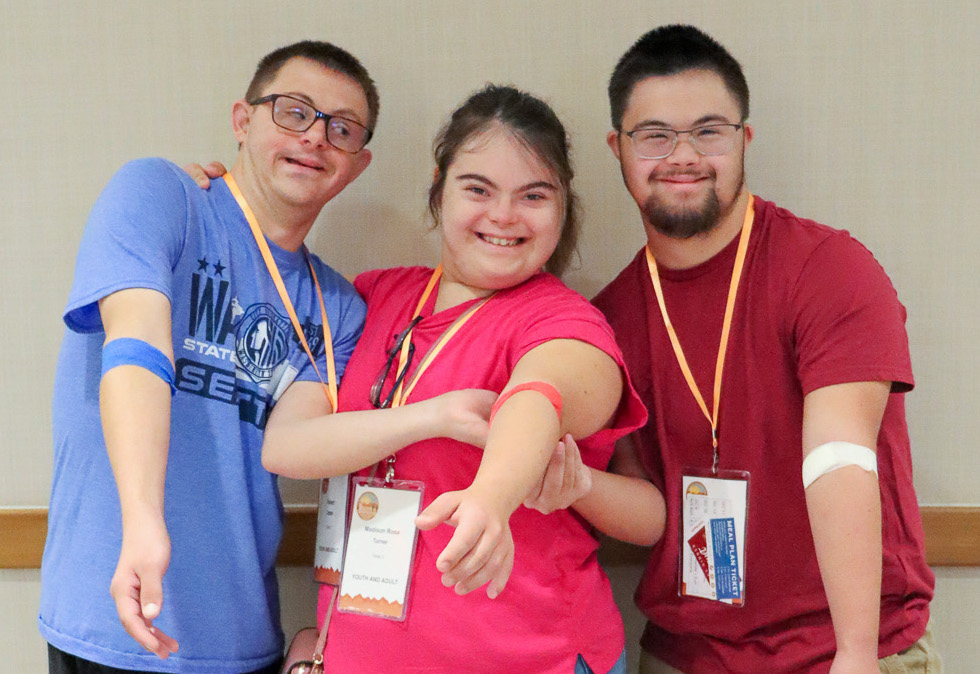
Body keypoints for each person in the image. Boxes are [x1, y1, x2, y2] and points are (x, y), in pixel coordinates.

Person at [254, 84, 662, 674]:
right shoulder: (372, 297)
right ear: (440, 190)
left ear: (562, 208)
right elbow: (287, 446)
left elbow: (536, 397)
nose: (502, 216)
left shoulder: (565, 319)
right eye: (478, 189)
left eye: (534, 195)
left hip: (526, 658)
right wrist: (432, 416)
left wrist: (490, 501)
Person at [580, 24, 937, 674]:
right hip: (683, 654)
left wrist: (856, 656)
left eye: (708, 131)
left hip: (842, 650)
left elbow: (840, 454)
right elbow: (639, 502)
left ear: (744, 139)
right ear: (619, 148)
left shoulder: (829, 269)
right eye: (655, 134)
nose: (682, 154)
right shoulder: (607, 319)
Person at [39, 41, 381, 674]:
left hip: (239, 636)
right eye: (293, 111)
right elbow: (136, 346)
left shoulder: (340, 310)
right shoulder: (161, 195)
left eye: (341, 129)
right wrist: (144, 521)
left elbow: (291, 443)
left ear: (356, 165)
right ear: (242, 121)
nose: (314, 138)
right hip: (113, 614)